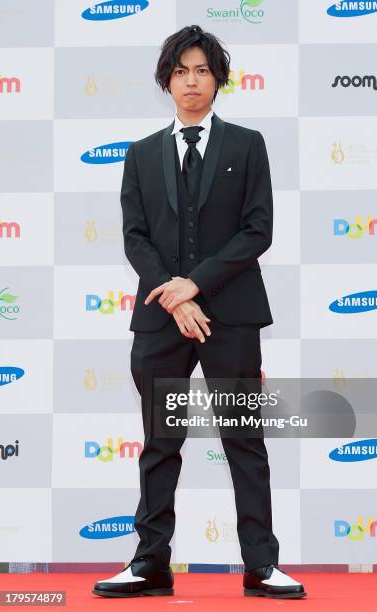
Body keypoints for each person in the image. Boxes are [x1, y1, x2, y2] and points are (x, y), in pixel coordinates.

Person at [92, 25, 306, 600]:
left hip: (231, 316)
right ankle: (149, 563)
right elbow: (135, 238)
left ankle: (262, 565)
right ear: (167, 79)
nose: (192, 80)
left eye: (203, 70)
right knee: (160, 441)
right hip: (162, 320)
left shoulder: (247, 144)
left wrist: (195, 284)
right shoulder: (140, 155)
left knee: (244, 437)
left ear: (219, 79)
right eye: (182, 70)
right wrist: (172, 292)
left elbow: (257, 230)